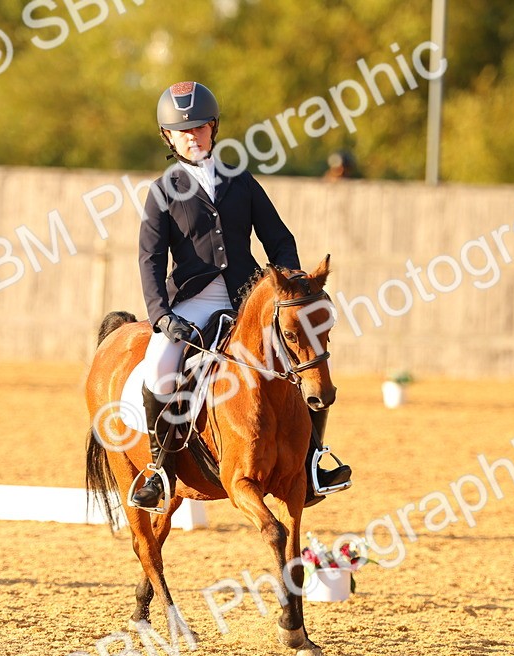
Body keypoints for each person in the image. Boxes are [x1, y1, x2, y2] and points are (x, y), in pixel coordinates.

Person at [133, 81, 351, 510]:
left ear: (214, 129)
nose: (193, 136)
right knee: (159, 366)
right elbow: (150, 260)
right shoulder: (162, 192)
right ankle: (160, 470)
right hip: (191, 304)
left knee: (304, 362)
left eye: (200, 127)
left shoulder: (239, 181)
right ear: (169, 137)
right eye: (183, 131)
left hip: (247, 301)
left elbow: (279, 239)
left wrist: (290, 282)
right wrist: (160, 315)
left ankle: (313, 461)